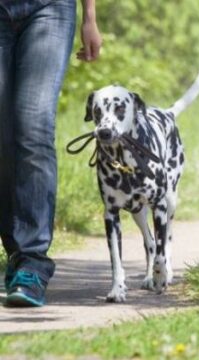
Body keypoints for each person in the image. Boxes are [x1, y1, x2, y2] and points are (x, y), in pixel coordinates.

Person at [0, 0, 102, 307]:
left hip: (49, 8)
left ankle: (32, 262)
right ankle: (16, 253)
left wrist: (90, 17)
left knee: (34, 125)